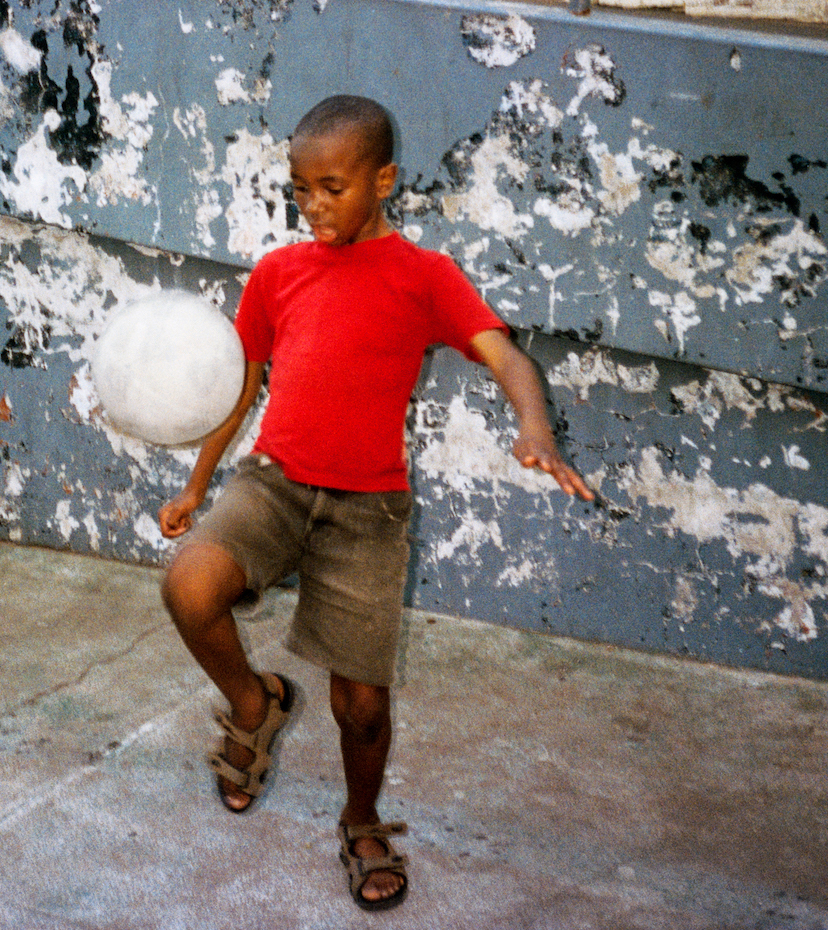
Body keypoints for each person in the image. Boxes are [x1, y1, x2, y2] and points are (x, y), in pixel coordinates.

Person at [158, 94, 593, 912]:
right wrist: (195, 483)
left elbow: (508, 358)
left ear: (383, 179)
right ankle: (255, 705)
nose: (314, 206)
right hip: (275, 485)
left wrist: (536, 427)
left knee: (361, 708)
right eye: (301, 190)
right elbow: (237, 385)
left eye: (333, 187)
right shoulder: (278, 273)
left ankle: (360, 820)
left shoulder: (425, 276)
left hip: (367, 512)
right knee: (189, 583)